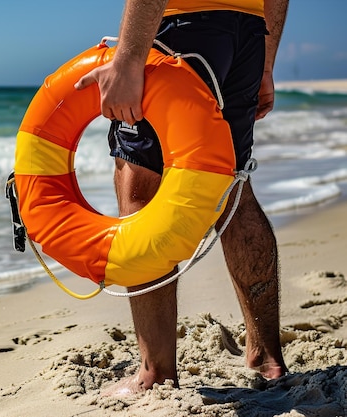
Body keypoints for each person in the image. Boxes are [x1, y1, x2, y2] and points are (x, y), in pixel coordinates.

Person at [75, 0, 290, 393]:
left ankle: (155, 372)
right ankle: (268, 357)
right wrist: (264, 62)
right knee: (233, 186)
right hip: (248, 32)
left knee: (140, 184)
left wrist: (129, 56)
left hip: (181, 29)